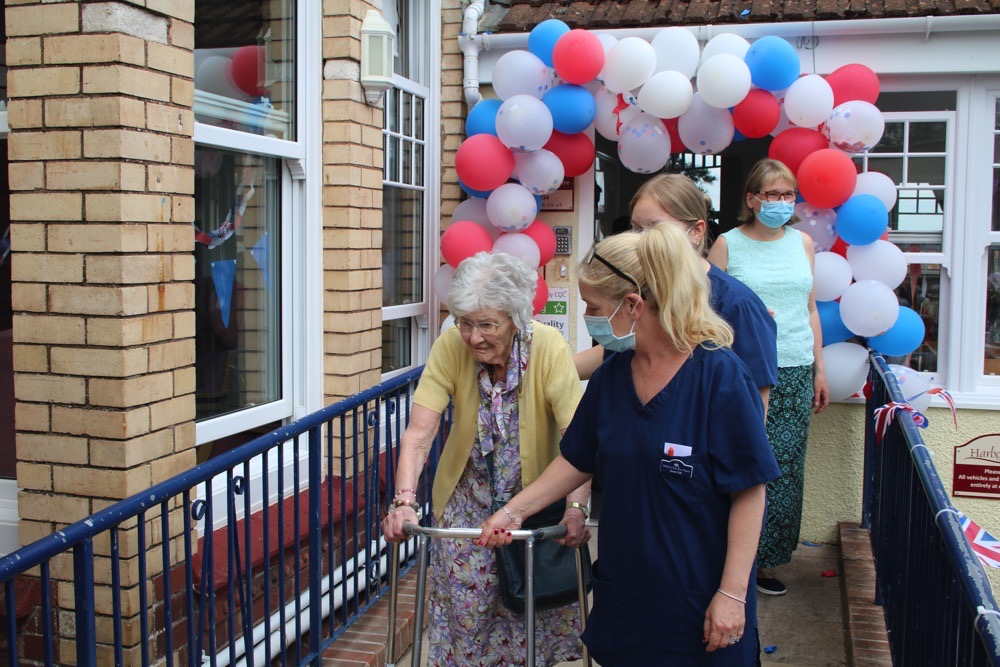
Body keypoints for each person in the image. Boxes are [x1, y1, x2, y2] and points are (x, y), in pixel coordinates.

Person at [479, 224, 781, 665]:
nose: (589, 317)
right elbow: (576, 459)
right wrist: (513, 511)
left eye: (594, 307)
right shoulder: (612, 377)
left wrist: (732, 593)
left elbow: (750, 492)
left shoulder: (719, 377)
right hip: (628, 594)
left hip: (698, 598)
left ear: (634, 305)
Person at [381, 251, 590, 666]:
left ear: (516, 318)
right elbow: (419, 434)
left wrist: (575, 509)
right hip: (466, 504)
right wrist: (404, 501)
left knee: (529, 617)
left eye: (487, 325)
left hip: (535, 507)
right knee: (467, 617)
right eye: (464, 322)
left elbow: (578, 443)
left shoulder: (549, 348)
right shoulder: (450, 346)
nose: (473, 337)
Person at [707, 158, 831, 597]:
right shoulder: (727, 245)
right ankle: (727, 557)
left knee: (784, 467)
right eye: (773, 194)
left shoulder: (803, 243)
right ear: (752, 199)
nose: (782, 201)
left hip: (794, 367)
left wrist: (819, 368)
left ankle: (762, 560)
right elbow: (708, 310)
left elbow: (810, 309)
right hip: (743, 369)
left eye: (788, 194)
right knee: (741, 460)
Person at [576, 174, 778, 414]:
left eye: (655, 228)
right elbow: (617, 349)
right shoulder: (643, 287)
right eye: (636, 228)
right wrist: (550, 366)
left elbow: (755, 401)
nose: (641, 239)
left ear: (696, 231)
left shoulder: (738, 304)